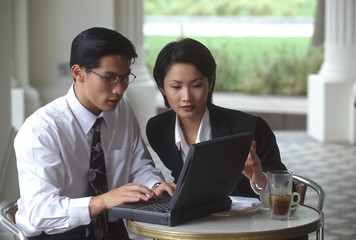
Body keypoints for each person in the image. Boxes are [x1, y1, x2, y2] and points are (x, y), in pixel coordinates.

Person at [14, 27, 175, 240]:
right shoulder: (41, 129)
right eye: (109, 78)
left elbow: (139, 167)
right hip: (56, 233)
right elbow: (41, 212)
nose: (119, 89)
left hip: (111, 231)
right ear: (78, 73)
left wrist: (154, 185)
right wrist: (103, 201)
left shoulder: (122, 110)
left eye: (125, 78)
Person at [146, 38, 307, 240]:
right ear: (162, 87)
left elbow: (289, 192)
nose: (186, 97)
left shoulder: (250, 128)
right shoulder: (158, 129)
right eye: (176, 87)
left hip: (252, 230)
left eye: (196, 85)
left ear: (210, 82)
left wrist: (258, 177)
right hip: (198, 227)